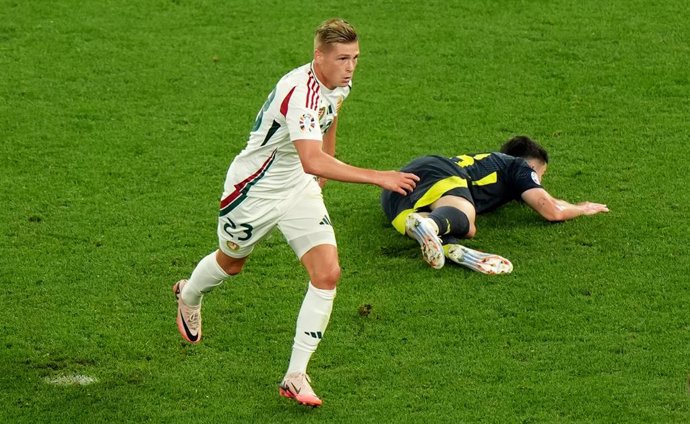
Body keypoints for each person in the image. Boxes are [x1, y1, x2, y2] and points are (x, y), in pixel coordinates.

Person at [172, 18, 418, 407]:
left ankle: (295, 375)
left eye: (355, 58)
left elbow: (331, 118)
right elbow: (309, 158)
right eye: (342, 58)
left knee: (328, 273)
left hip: (299, 187)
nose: (351, 67)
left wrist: (328, 163)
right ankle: (189, 294)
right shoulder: (299, 92)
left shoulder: (338, 83)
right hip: (253, 192)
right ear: (318, 56)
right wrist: (377, 177)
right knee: (231, 264)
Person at [380, 136, 609, 273]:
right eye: (541, 175)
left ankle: (449, 247)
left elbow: (550, 200)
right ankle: (432, 224)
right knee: (467, 221)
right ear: (532, 167)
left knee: (440, 224)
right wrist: (582, 208)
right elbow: (550, 209)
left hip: (393, 195)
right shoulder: (519, 166)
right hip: (438, 173)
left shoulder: (491, 165)